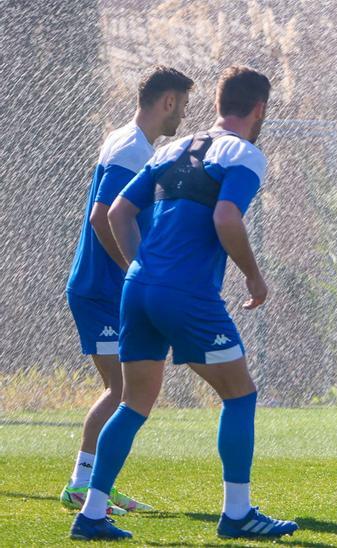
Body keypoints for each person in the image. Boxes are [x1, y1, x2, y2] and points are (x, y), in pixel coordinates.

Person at [69, 66, 298, 541]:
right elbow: (227, 216)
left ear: (218, 104)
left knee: (132, 403)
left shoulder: (170, 148)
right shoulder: (245, 154)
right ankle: (237, 514)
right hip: (188, 294)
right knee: (240, 394)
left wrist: (142, 269)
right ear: (259, 110)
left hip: (139, 289)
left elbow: (118, 212)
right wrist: (254, 276)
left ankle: (91, 513)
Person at [61, 65, 192, 516]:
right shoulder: (132, 150)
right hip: (100, 289)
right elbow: (103, 216)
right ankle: (82, 485)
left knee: (127, 390)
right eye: (183, 105)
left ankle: (96, 484)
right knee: (121, 389)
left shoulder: (123, 139)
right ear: (168, 102)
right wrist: (133, 271)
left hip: (105, 288)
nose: (184, 117)